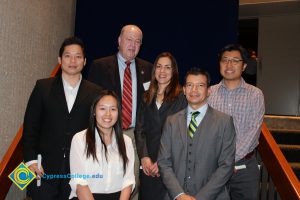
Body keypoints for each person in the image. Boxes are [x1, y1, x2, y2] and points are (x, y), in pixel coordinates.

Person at [22, 36, 102, 200]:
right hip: (43, 169)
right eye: (68, 55)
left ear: (84, 61)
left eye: (78, 56)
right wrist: (30, 161)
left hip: (79, 171)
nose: (73, 60)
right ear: (60, 59)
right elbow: (30, 127)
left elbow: (98, 130)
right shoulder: (43, 87)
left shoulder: (96, 92)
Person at [87, 24, 152, 199]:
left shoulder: (149, 69)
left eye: (137, 42)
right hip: (106, 133)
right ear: (119, 40)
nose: (133, 45)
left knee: (132, 182)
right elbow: (91, 102)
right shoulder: (100, 66)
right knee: (105, 180)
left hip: (133, 135)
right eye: (129, 40)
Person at [158, 68, 236, 200]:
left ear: (209, 91)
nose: (194, 90)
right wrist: (179, 195)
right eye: (189, 85)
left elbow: (226, 165)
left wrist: (202, 197)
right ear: (184, 90)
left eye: (200, 85)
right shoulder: (171, 121)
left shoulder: (224, 122)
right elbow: (164, 162)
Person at [208, 44, 265, 200]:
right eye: (225, 60)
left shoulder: (255, 95)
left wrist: (229, 160)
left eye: (235, 60)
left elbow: (254, 131)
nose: (229, 65)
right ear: (219, 64)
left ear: (244, 66)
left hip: (245, 167)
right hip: (213, 167)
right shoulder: (208, 93)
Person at [134, 52, 187, 200]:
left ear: (174, 71)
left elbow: (181, 134)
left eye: (167, 67)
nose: (162, 71)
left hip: (170, 163)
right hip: (148, 164)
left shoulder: (182, 97)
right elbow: (140, 130)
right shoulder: (146, 96)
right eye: (159, 66)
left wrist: (163, 161)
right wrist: (144, 157)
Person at [69, 90, 135, 200]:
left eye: (113, 109)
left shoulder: (126, 141)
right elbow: (79, 182)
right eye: (102, 108)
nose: (108, 114)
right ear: (94, 111)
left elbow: (128, 181)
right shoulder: (80, 139)